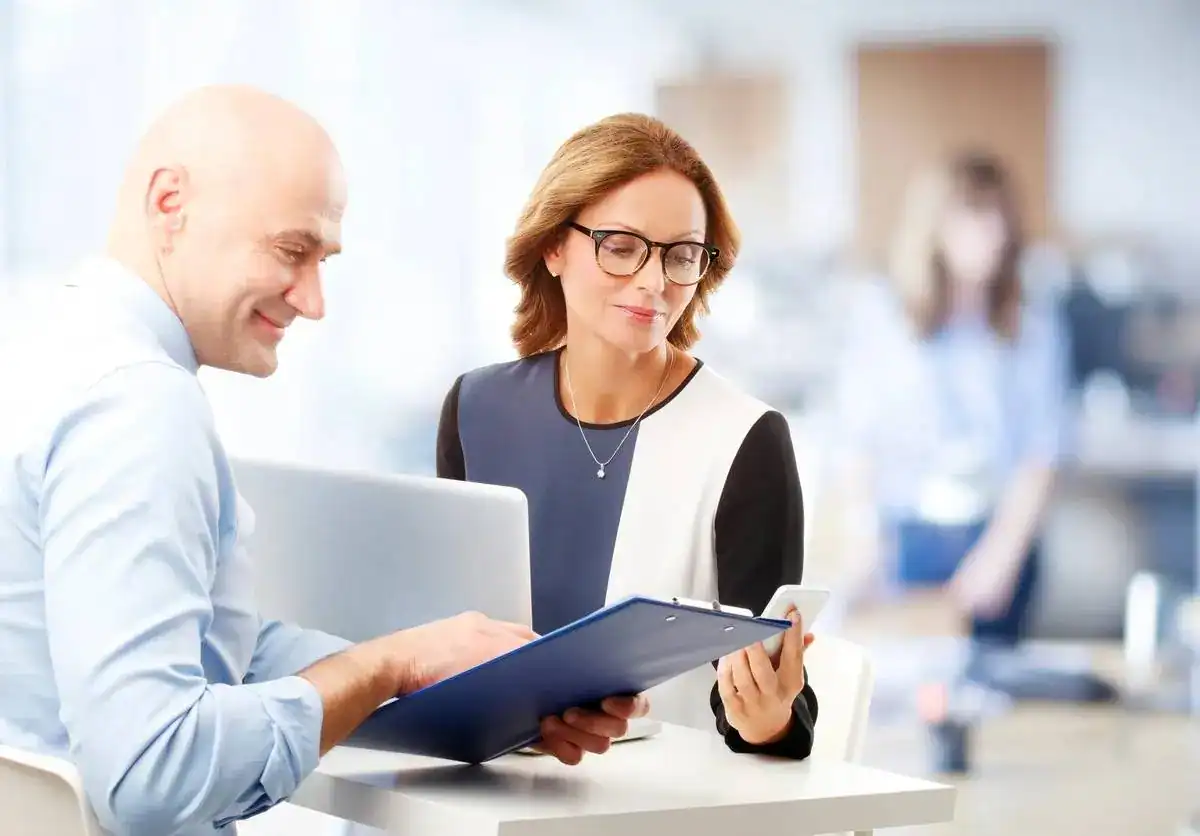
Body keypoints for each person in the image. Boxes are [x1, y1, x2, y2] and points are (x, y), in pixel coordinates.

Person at [0, 85, 644, 836]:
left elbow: (207, 646)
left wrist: (437, 679)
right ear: (169, 203)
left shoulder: (46, 347)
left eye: (323, 259)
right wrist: (388, 667)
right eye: (291, 250)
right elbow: (150, 772)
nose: (313, 301)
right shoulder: (137, 407)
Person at [435, 113, 817, 758]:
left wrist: (766, 720)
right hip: (485, 790)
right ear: (554, 247)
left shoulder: (745, 440)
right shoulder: (475, 409)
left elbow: (774, 703)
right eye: (620, 246)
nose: (654, 281)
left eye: (682, 254)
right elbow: (444, 641)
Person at [833, 151, 1069, 670]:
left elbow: (1042, 448)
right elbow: (856, 437)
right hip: (909, 537)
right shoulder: (884, 313)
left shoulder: (1030, 321)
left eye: (998, 218)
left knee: (995, 691)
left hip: (996, 536)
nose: (990, 235)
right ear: (936, 225)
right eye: (972, 216)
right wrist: (863, 536)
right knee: (907, 691)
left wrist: (1001, 557)